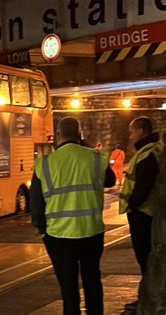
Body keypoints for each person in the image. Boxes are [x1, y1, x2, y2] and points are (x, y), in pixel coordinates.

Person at [30, 116, 115, 315]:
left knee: (68, 289)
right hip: (91, 232)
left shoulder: (44, 164)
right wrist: (86, 145)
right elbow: (110, 181)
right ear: (80, 134)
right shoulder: (95, 158)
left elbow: (36, 204)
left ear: (58, 136)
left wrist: (42, 230)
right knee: (92, 281)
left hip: (58, 236)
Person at [119, 117, 162, 311]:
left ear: (141, 131)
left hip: (143, 214)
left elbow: (144, 184)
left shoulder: (147, 154)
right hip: (148, 212)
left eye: (132, 131)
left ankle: (148, 300)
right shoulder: (152, 150)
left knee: (145, 259)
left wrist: (132, 204)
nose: (130, 136)